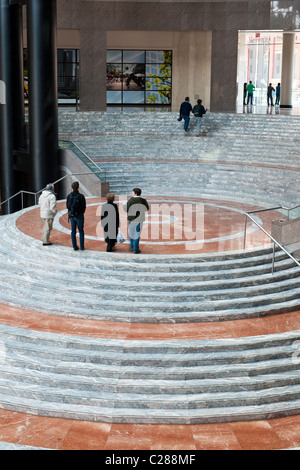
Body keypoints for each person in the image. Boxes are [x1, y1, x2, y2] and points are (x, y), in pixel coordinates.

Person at [124, 188, 149, 254]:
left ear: (135, 193)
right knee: (137, 234)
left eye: (132, 192)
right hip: (139, 220)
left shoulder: (131, 200)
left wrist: (124, 205)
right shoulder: (143, 200)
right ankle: (136, 249)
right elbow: (147, 208)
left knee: (131, 233)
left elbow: (126, 209)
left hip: (131, 219)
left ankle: (131, 246)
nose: (132, 193)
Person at [66, 181, 86, 251]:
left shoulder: (69, 196)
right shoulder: (81, 196)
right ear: (78, 187)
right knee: (81, 231)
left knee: (73, 231)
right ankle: (82, 246)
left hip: (71, 215)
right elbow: (84, 207)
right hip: (79, 216)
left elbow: (67, 206)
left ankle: (74, 246)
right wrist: (80, 213)